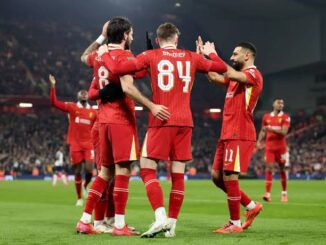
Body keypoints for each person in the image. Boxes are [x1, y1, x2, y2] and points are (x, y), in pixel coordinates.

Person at [98, 22, 227, 238]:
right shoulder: (192, 57)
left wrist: (104, 54)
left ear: (158, 40)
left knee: (147, 168)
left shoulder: (151, 55)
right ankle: (172, 227)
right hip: (185, 121)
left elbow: (118, 69)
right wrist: (211, 54)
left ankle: (160, 218)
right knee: (178, 174)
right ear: (176, 39)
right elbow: (222, 68)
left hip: (161, 118)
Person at [76, 17, 169, 236]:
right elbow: (130, 84)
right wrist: (151, 106)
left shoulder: (100, 56)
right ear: (126, 35)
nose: (133, 37)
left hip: (103, 120)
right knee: (123, 171)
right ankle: (119, 225)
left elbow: (83, 57)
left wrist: (101, 36)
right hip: (121, 119)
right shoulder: (125, 56)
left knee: (105, 172)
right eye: (132, 33)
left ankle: (85, 220)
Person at [200, 40, 263, 233]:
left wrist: (212, 53)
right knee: (217, 177)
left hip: (240, 132)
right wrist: (202, 57)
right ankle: (251, 206)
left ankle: (235, 224)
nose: (231, 57)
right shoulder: (236, 78)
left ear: (247, 56)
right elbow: (213, 77)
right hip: (227, 132)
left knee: (229, 176)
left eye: (235, 54)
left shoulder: (253, 74)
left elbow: (228, 72)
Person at [49, 75, 97, 206]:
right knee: (77, 171)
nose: (83, 93)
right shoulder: (71, 107)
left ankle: (85, 185)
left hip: (88, 144)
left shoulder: (94, 112)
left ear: (87, 96)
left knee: (89, 170)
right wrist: (53, 86)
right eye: (81, 92)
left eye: (85, 92)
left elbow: (99, 125)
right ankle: (79, 198)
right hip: (75, 144)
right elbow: (54, 103)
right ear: (78, 96)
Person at [256, 99, 291, 202]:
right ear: (273, 104)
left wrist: (270, 129)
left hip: (281, 148)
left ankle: (284, 193)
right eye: (278, 103)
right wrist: (259, 141)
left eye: (282, 103)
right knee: (269, 168)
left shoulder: (286, 117)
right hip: (269, 147)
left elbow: (284, 132)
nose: (280, 105)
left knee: (282, 169)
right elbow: (263, 130)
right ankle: (267, 194)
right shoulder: (266, 117)